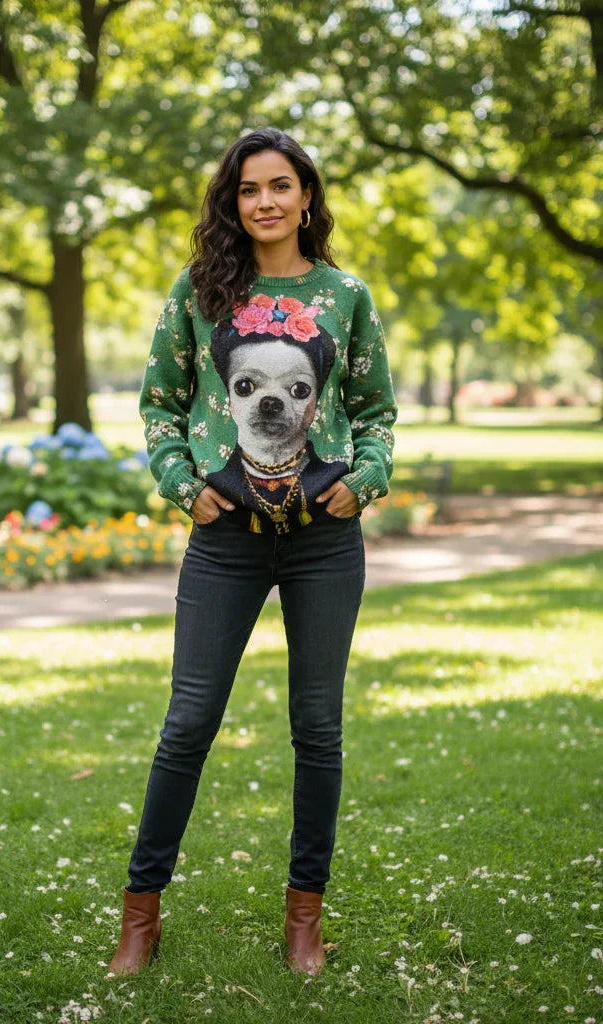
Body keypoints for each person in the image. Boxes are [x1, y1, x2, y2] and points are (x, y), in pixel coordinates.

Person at [107, 126, 398, 977]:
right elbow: (159, 404)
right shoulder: (201, 292)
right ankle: (140, 916)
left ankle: (304, 919)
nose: (264, 201)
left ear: (307, 195)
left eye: (279, 185)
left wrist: (366, 476)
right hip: (224, 541)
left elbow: (376, 409)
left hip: (324, 542)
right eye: (246, 189)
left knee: (318, 729)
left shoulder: (345, 295)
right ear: (230, 202)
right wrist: (179, 480)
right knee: (188, 723)